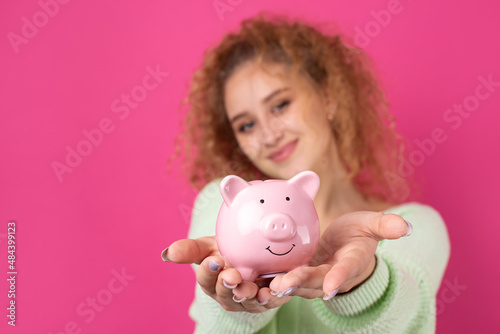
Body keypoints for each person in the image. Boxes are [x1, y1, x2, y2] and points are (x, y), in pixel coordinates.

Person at [162, 12, 451, 334]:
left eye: (280, 105)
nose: (269, 135)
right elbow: (219, 320)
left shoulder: (414, 226)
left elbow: (405, 312)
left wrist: (361, 282)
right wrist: (241, 304)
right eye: (246, 125)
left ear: (327, 95)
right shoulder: (224, 203)